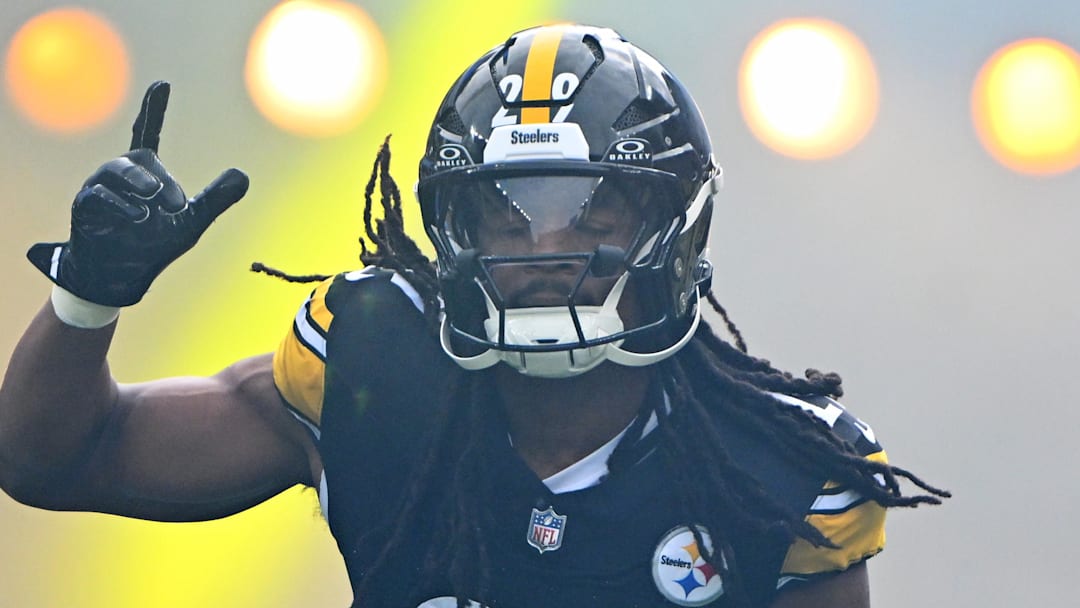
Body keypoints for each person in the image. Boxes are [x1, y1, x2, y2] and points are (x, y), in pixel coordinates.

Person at [0, 24, 948, 608]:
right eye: (506, 211)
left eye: (590, 209)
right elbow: (59, 456)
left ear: (674, 223)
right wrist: (89, 296)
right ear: (451, 225)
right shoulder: (373, 367)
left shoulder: (783, 473)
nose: (543, 247)